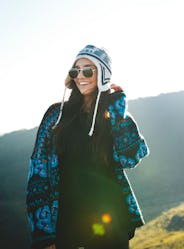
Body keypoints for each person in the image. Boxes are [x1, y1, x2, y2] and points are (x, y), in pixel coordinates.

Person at [26, 45, 149, 249]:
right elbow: (37, 175)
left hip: (110, 221)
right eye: (75, 71)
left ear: (103, 74)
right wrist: (43, 236)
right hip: (67, 224)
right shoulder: (55, 116)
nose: (80, 76)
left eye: (88, 70)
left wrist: (118, 108)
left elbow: (131, 157)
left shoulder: (112, 116)